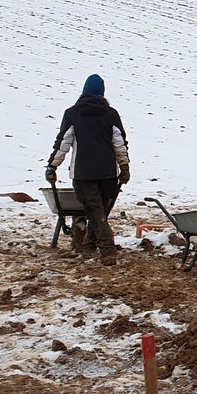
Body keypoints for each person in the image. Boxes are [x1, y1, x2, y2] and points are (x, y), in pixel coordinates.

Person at [45, 74, 130, 266]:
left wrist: (52, 166)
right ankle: (89, 244)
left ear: (84, 91)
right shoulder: (111, 114)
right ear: (102, 93)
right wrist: (124, 166)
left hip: (84, 173)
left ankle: (108, 251)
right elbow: (119, 144)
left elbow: (63, 144)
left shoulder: (73, 114)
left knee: (95, 211)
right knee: (99, 211)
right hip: (108, 173)